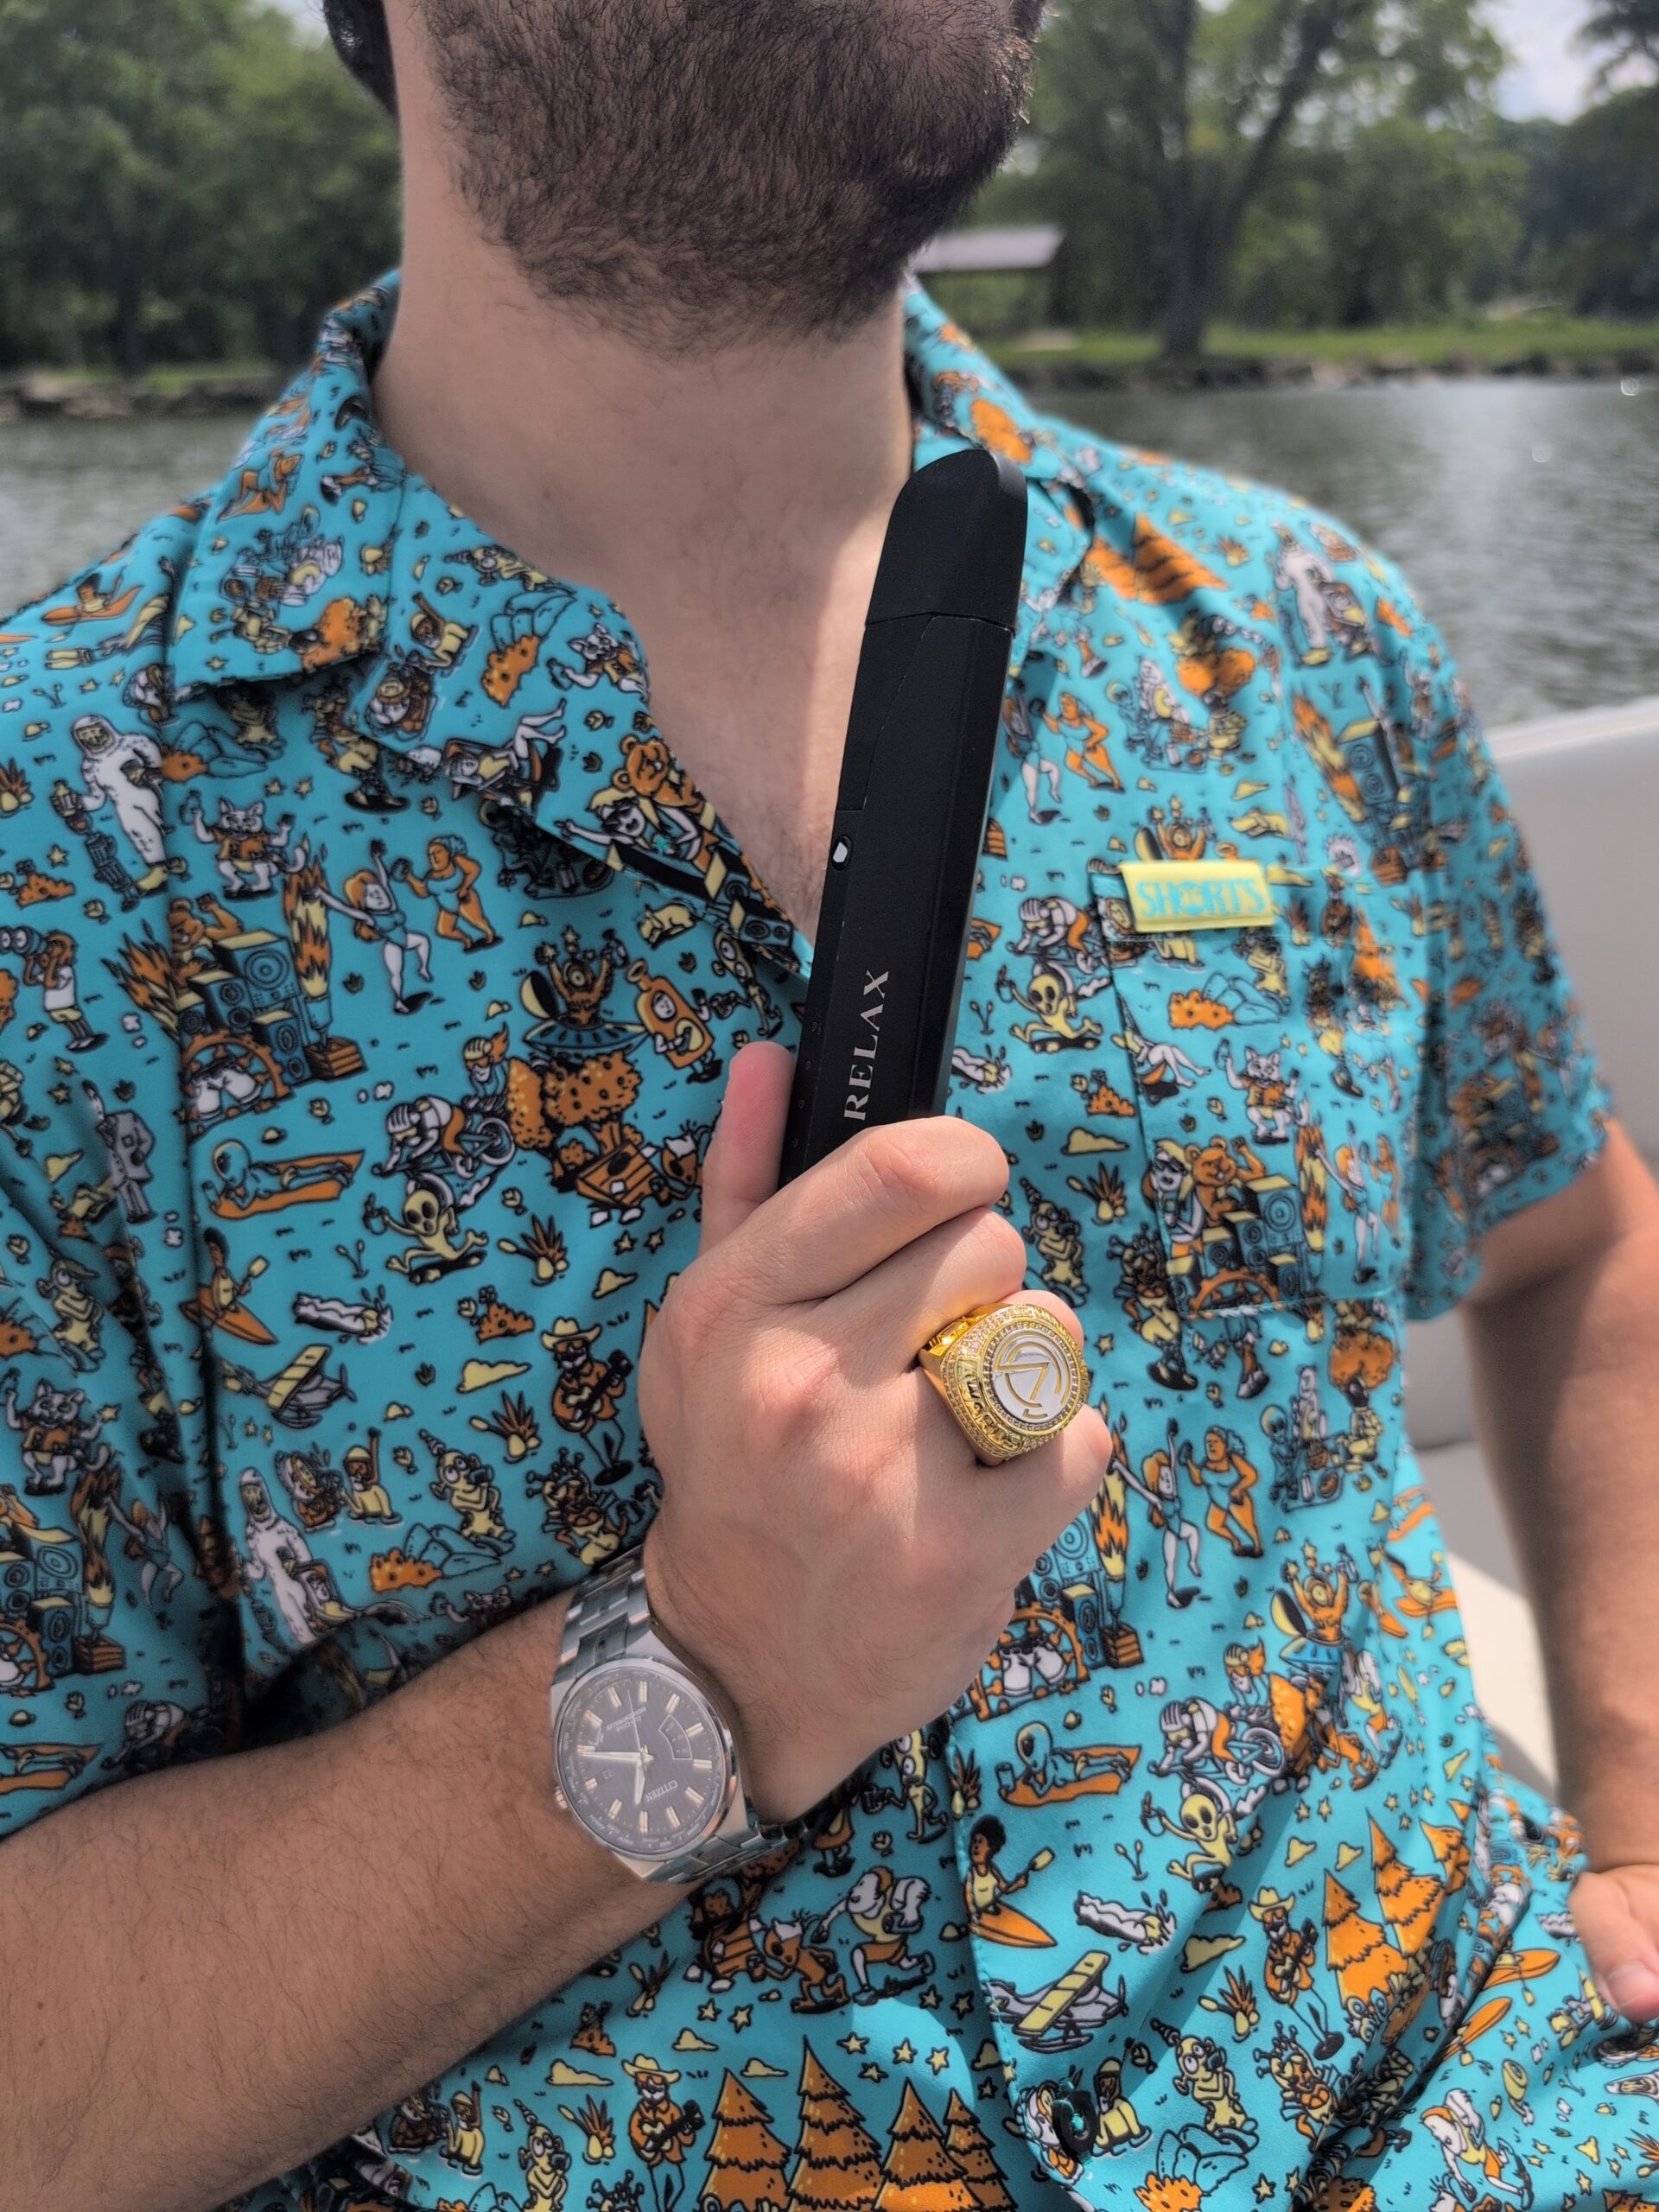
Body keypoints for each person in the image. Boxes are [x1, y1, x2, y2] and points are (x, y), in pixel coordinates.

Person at [3, 4, 1658, 2207]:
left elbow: (1577, 1235)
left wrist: (1634, 1808)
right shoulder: (53, 853)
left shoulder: (1304, 639)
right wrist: (699, 1674)